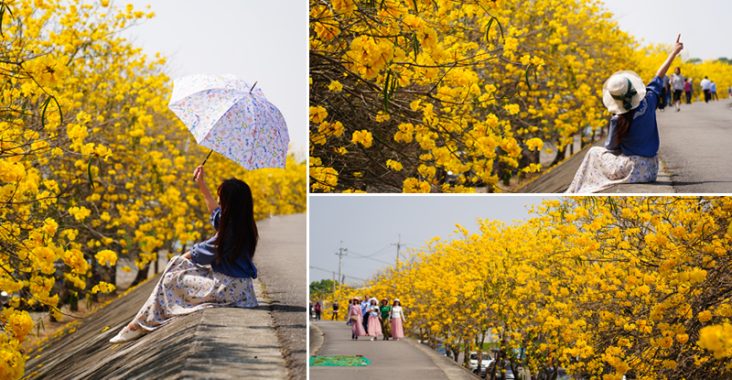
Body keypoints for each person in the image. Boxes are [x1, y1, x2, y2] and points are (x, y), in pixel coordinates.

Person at [110, 166, 259, 343]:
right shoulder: (243, 224)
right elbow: (215, 213)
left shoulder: (227, 234)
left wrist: (176, 263)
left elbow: (198, 254)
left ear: (227, 205)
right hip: (243, 291)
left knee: (172, 277)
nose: (217, 201)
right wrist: (201, 184)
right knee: (176, 270)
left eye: (221, 199)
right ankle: (139, 323)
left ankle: (140, 324)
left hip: (228, 290)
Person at [566, 34, 684, 193]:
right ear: (634, 89)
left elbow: (611, 148)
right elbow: (659, 75)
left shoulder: (618, 119)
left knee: (593, 152)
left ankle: (575, 191)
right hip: (651, 170)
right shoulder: (649, 100)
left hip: (632, 170)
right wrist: (674, 52)